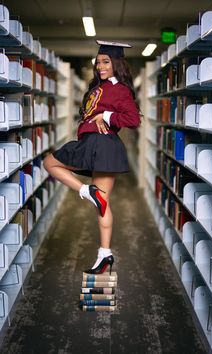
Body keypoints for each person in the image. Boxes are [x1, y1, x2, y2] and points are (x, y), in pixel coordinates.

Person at [43, 40, 140, 274]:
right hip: (91, 143)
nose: (100, 66)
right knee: (51, 163)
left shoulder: (120, 90)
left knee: (101, 205)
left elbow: (133, 120)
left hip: (103, 144)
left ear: (117, 63)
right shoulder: (98, 87)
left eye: (106, 62)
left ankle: (104, 255)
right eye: (98, 63)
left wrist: (106, 116)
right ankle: (87, 192)